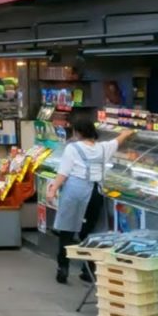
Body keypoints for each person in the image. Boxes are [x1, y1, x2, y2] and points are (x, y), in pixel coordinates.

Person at [46, 117, 134, 284]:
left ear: (78, 132)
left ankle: (63, 268)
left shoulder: (72, 148)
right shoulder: (103, 148)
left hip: (75, 191)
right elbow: (118, 139)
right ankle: (88, 270)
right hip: (96, 192)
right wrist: (127, 132)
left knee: (67, 231)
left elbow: (63, 173)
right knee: (89, 232)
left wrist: (53, 190)